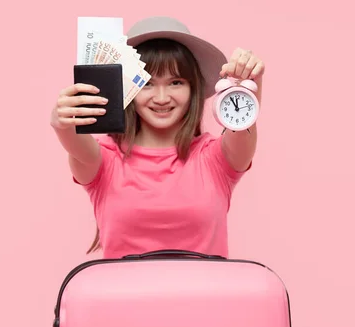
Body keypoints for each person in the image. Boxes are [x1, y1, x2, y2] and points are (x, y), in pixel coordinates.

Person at [50, 16, 265, 259]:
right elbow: (76, 145)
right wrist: (62, 124)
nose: (162, 98)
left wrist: (249, 83)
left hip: (207, 296)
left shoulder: (214, 158)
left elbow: (244, 124)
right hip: (119, 297)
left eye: (176, 82)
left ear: (193, 87)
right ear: (127, 89)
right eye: (147, 84)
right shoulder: (105, 159)